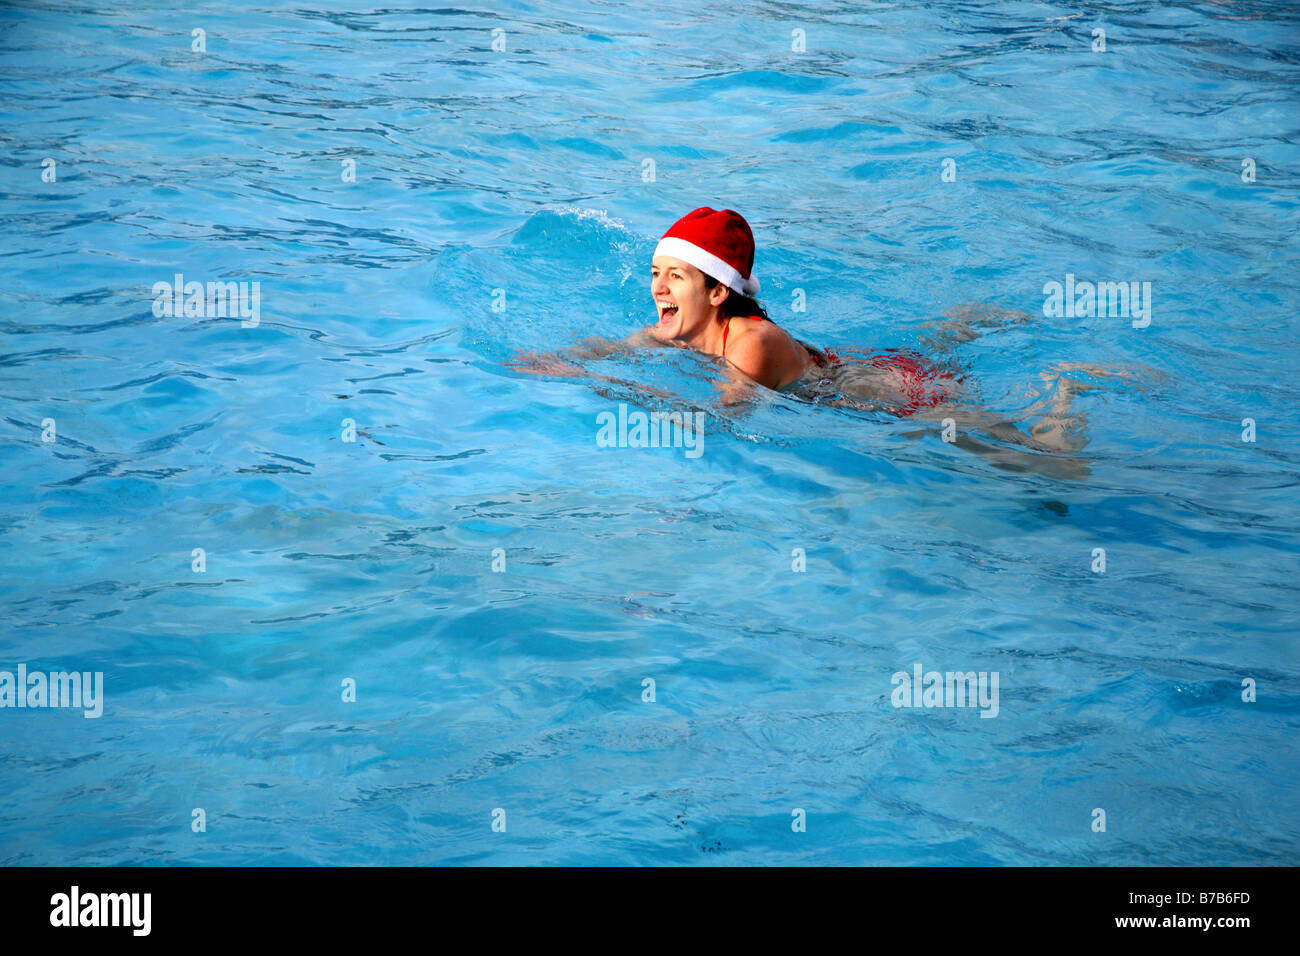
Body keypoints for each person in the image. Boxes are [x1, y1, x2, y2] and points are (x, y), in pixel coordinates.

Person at [512, 206, 1124, 470]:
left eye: (675, 276)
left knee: (1044, 468)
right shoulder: (678, 329)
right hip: (847, 369)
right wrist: (566, 362)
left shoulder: (748, 342)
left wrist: (599, 388)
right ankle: (964, 324)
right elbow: (614, 345)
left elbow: (724, 417)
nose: (658, 289)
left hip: (889, 396)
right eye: (654, 274)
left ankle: (1064, 385)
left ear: (718, 292)